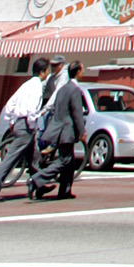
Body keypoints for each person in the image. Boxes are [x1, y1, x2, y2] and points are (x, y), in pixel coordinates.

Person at [0, 59, 49, 201]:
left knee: (34, 157)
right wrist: (31, 125)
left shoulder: (25, 85)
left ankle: (39, 185)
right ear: (43, 71)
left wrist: (12, 121)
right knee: (10, 160)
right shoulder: (37, 87)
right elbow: (32, 110)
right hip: (26, 126)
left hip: (20, 123)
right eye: (47, 70)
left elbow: (10, 104)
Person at [39, 59, 89, 197]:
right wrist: (82, 132)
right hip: (66, 131)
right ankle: (37, 179)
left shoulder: (62, 89)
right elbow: (77, 113)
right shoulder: (74, 90)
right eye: (82, 70)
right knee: (64, 160)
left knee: (69, 163)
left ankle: (65, 191)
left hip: (59, 130)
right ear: (78, 72)